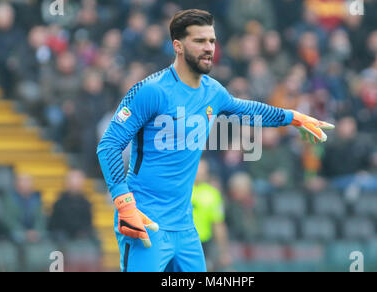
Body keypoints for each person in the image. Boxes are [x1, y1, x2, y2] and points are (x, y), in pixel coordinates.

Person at [97, 9, 334, 272]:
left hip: (185, 228)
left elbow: (248, 110)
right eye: (199, 41)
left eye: (211, 40)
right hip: (144, 220)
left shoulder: (213, 91)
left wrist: (293, 117)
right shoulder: (150, 91)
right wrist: (123, 203)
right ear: (178, 46)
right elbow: (108, 146)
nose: (209, 48)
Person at [191, 159, 232, 271]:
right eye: (198, 170)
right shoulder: (181, 190)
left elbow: (218, 224)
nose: (200, 173)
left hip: (204, 243)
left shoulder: (213, 194)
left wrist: (223, 252)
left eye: (203, 171)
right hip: (182, 239)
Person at [48, 169, 95, 241]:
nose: (76, 184)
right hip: (62, 235)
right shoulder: (60, 202)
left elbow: (88, 223)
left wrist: (83, 231)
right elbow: (54, 223)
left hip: (81, 235)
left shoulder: (86, 203)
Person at [2, 173, 46, 243]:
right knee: (17, 236)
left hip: (34, 232)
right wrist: (24, 233)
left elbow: (40, 219)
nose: (26, 184)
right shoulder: (10, 199)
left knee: (44, 235)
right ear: (17, 184)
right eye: (24, 182)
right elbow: (9, 220)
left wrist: (36, 231)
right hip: (18, 231)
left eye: (28, 182)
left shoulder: (36, 199)